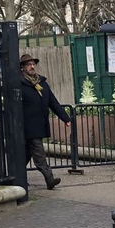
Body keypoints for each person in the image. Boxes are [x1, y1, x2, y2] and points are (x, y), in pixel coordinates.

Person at [19, 54, 71, 190]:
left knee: (26, 154)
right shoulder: (19, 83)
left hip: (39, 124)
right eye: (28, 64)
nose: (32, 66)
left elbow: (52, 102)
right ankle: (50, 179)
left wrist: (65, 118)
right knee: (38, 152)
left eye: (33, 64)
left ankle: (17, 178)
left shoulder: (41, 83)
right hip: (27, 125)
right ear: (23, 68)